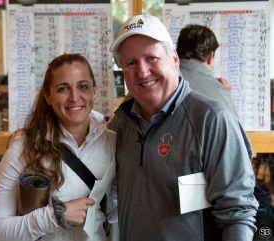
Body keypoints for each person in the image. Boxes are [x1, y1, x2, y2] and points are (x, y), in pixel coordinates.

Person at [109, 15, 258, 241]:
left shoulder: (212, 119)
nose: (142, 71)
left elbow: (237, 213)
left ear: (175, 59)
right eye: (130, 63)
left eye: (152, 58)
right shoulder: (120, 124)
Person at [0, 53, 118, 241]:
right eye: (63, 89)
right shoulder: (24, 146)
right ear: (48, 96)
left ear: (94, 91)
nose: (74, 97)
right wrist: (54, 216)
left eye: (83, 86)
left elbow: (116, 217)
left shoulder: (113, 143)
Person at [176, 24, 237, 115]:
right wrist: (224, 93)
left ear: (176, 52)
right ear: (210, 57)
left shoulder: (159, 81)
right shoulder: (221, 93)